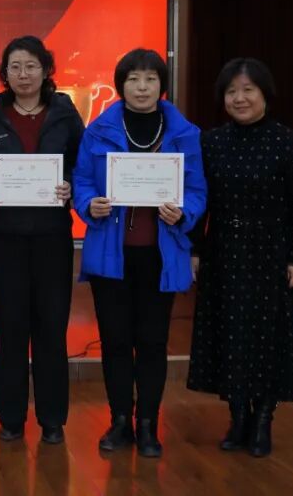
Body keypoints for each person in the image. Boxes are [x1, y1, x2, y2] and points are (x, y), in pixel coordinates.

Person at [72, 48, 206, 458]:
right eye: (133, 79)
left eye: (150, 79)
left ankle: (148, 423)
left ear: (161, 85)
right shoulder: (98, 131)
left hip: (159, 256)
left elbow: (197, 190)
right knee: (114, 341)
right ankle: (119, 421)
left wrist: (184, 212)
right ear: (121, 85)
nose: (142, 87)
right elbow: (81, 180)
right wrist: (89, 204)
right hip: (111, 254)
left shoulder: (185, 133)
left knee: (152, 341)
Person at [187, 58, 293, 458]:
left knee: (268, 338)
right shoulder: (211, 143)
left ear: (265, 94)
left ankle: (263, 420)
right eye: (231, 92)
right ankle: (238, 415)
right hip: (223, 253)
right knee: (228, 334)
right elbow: (200, 202)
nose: (239, 98)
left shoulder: (289, 143)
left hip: (271, 255)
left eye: (248, 90)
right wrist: (194, 249)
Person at [0, 36, 85, 445]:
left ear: (46, 70)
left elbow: (83, 165)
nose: (23, 74)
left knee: (52, 328)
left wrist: (71, 184)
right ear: (5, 73)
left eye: (31, 66)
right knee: (11, 328)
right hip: (6, 238)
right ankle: (11, 418)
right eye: (15, 67)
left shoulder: (65, 113)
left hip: (53, 237)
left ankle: (52, 418)